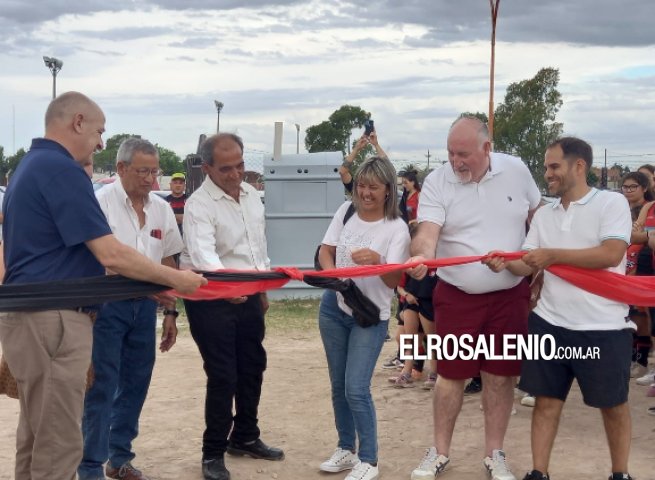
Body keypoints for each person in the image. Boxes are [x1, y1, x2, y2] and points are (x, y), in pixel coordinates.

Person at [0, 91, 205, 480]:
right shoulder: (61, 170)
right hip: (54, 320)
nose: (100, 142)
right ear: (77, 122)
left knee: (37, 435)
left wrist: (147, 286)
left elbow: (61, 256)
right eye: (98, 131)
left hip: (32, 316)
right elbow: (110, 252)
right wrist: (177, 280)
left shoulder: (31, 166)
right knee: (59, 442)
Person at [484, 136, 634, 480]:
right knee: (546, 401)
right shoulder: (545, 214)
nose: (547, 173)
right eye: (546, 166)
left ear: (578, 166)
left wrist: (552, 255)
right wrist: (505, 263)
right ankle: (539, 472)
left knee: (613, 405)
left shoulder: (610, 204)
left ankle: (620, 473)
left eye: (554, 166)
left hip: (604, 325)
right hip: (549, 322)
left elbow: (611, 254)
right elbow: (527, 263)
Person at [407, 116, 541, 480]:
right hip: (457, 294)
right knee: (450, 376)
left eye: (463, 154)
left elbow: (539, 218)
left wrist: (537, 263)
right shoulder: (438, 181)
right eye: (450, 153)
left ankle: (494, 454)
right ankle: (439, 451)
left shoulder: (516, 169)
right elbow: (427, 231)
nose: (455, 161)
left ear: (487, 148)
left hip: (509, 295)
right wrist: (421, 256)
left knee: (500, 377)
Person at [78, 138, 184, 480]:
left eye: (155, 172)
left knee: (137, 382)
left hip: (146, 311)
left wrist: (171, 312)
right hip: (105, 308)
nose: (151, 179)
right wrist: (145, 284)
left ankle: (119, 457)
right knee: (101, 385)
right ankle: (90, 465)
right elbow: (99, 261)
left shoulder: (161, 208)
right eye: (143, 171)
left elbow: (169, 260)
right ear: (121, 168)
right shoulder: (99, 204)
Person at [180, 133, 282, 480]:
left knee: (253, 365)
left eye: (240, 165)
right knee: (223, 374)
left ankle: (245, 436)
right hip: (210, 297)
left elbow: (258, 246)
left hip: (249, 292)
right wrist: (226, 288)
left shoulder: (253, 195)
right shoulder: (198, 205)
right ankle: (212, 453)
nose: (236, 174)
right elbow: (205, 255)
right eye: (226, 169)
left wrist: (261, 287)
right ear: (206, 167)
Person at [317, 155, 410, 480]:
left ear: (388, 190)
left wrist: (379, 261)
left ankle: (369, 459)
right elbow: (325, 250)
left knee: (356, 388)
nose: (365, 192)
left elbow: (394, 281)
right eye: (360, 185)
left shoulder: (397, 229)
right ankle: (346, 447)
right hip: (334, 306)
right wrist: (334, 278)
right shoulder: (346, 212)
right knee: (338, 385)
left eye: (373, 186)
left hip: (369, 316)